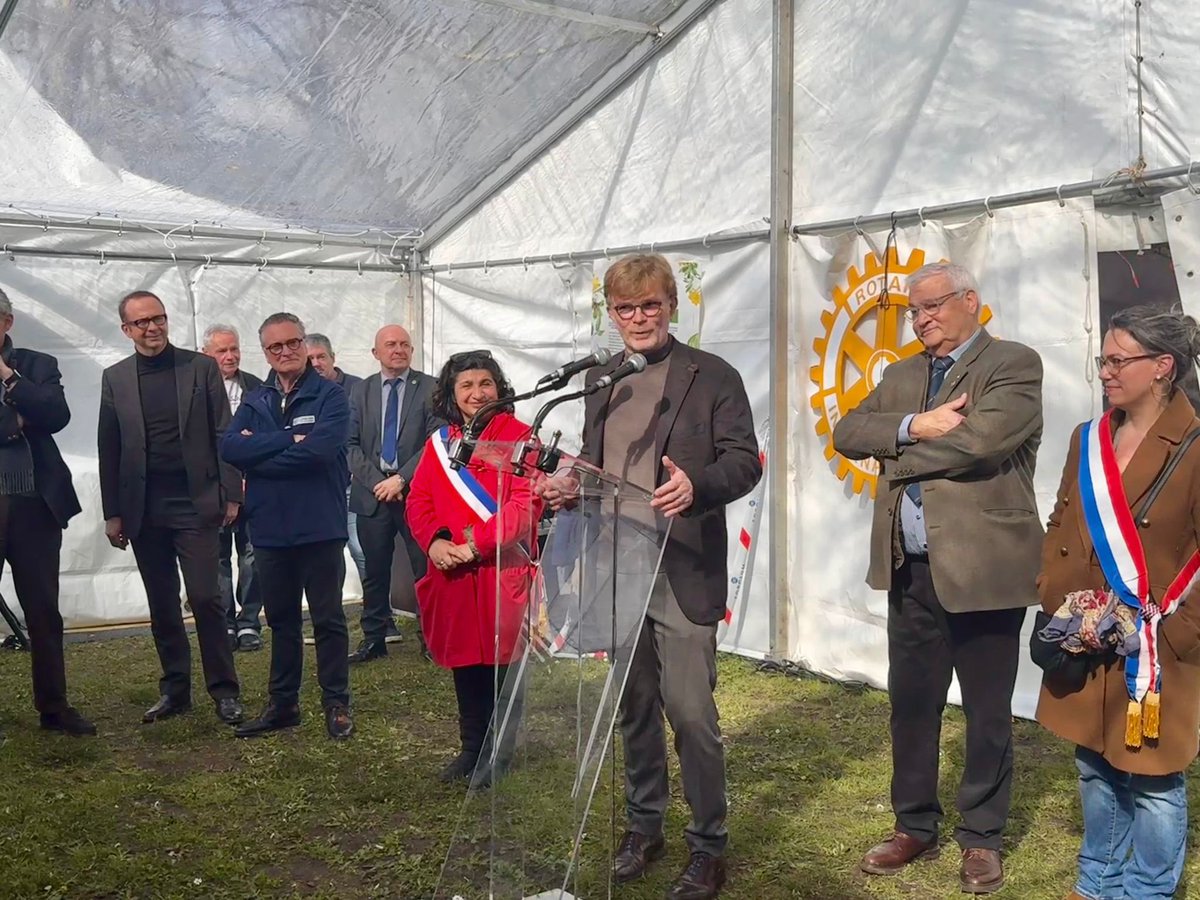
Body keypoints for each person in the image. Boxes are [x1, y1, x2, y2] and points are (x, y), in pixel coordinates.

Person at [539, 254, 761, 900]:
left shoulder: (713, 376)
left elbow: (744, 462)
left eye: (650, 306)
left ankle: (708, 845)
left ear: (671, 305)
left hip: (681, 565)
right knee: (632, 705)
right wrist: (567, 481)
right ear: (612, 314)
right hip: (615, 560)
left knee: (690, 712)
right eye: (626, 308)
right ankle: (644, 824)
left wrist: (697, 487)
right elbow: (595, 460)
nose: (638, 318)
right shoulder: (605, 377)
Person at [831, 262, 1043, 894]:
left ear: (970, 301)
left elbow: (979, 444)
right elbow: (847, 432)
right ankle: (914, 825)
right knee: (912, 707)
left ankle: (981, 836)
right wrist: (911, 426)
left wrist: (891, 454)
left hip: (983, 569)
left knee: (986, 711)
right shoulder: (901, 374)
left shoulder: (1012, 363)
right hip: (910, 568)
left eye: (933, 306)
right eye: (913, 311)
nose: (922, 319)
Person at [1037, 306, 1200, 900]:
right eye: (1102, 359)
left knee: (1154, 779)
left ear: (1163, 367)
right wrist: (1059, 602)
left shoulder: (1196, 443)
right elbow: (1061, 520)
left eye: (1116, 360)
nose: (1103, 371)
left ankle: (1147, 890)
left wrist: (1178, 635)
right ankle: (1096, 880)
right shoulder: (1090, 437)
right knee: (1095, 764)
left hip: (1157, 648)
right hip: (1087, 633)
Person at [98, 291, 244, 727]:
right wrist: (113, 512)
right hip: (143, 508)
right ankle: (175, 690)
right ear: (127, 330)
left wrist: (231, 492)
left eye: (158, 318)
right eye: (141, 322)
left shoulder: (199, 368)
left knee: (206, 597)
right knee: (162, 604)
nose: (152, 327)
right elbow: (109, 448)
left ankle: (225, 691)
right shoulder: (115, 378)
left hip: (195, 503)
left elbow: (225, 433)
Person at [405, 349, 539, 782]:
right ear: (451, 393)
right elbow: (419, 499)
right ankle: (471, 747)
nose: (477, 393)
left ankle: (500, 754)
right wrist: (435, 542)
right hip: (455, 574)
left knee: (503, 666)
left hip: (500, 570)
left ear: (499, 388)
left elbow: (526, 505)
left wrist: (474, 544)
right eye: (466, 386)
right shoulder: (440, 443)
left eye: (485, 384)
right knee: (467, 664)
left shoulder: (523, 438)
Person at [220, 313, 353, 740]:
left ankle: (336, 702)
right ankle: (284, 704)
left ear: (303, 342)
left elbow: (319, 453)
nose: (286, 352)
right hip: (271, 528)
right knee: (280, 620)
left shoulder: (330, 396)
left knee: (329, 619)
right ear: (266, 353)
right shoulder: (257, 399)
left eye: (292, 343)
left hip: (319, 525)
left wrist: (260, 460)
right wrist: (283, 441)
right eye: (275, 347)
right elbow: (229, 446)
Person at [0, 289, 94, 736]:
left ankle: (54, 707)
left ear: (6, 323)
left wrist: (7, 377)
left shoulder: (35, 365)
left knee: (43, 609)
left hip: (35, 505)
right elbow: (27, 418)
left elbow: (55, 414)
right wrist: (15, 420)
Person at [347, 325, 441, 663]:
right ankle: (374, 638)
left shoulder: (431, 387)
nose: (398, 350)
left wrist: (401, 479)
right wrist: (378, 483)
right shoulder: (360, 390)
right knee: (374, 571)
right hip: (372, 495)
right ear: (376, 353)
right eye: (390, 345)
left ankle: (431, 640)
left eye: (404, 344)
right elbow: (350, 444)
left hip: (416, 493)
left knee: (424, 570)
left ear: (412, 351)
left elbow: (436, 441)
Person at [202, 324, 265, 652]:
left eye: (234, 349)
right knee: (217, 557)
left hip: (253, 485)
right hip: (213, 488)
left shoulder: (256, 386)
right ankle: (224, 621)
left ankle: (249, 622)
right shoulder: (196, 389)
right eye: (221, 351)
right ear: (206, 354)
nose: (230, 356)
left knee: (252, 555)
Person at [307, 333, 370, 597]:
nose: (317, 363)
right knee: (325, 553)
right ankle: (330, 614)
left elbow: (369, 433)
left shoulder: (358, 388)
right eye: (310, 359)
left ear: (333, 357)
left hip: (352, 485)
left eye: (321, 356)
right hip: (318, 488)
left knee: (360, 549)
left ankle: (379, 614)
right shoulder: (302, 392)